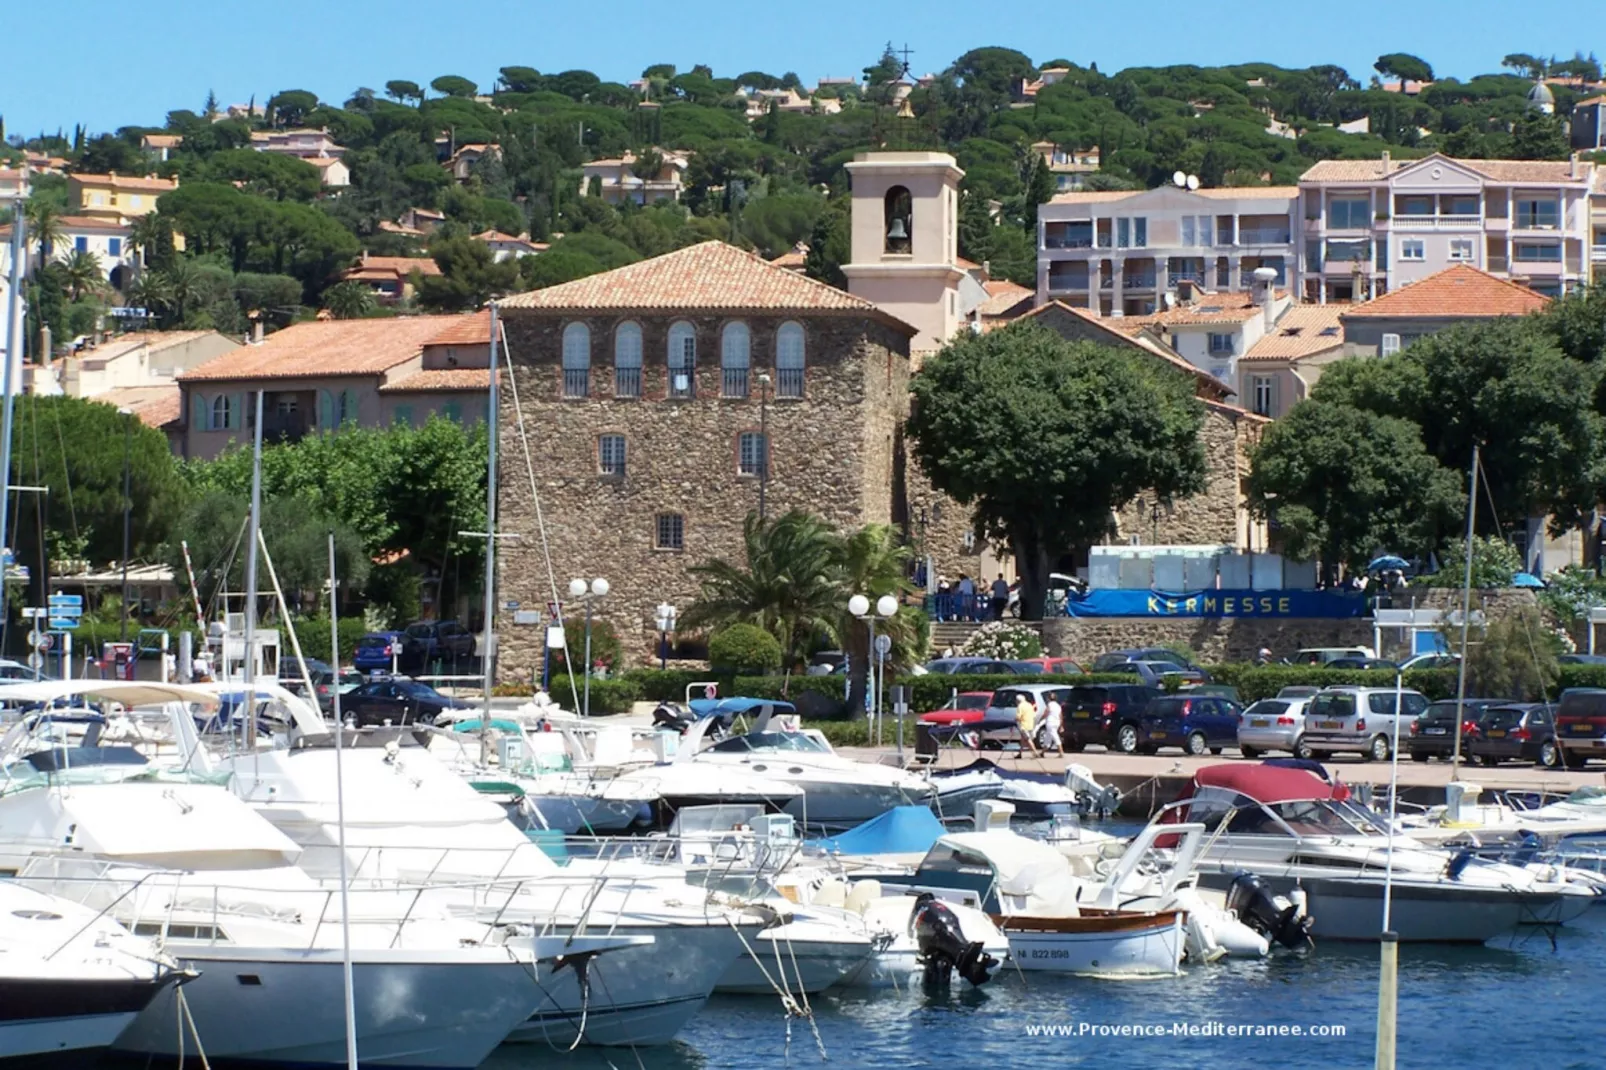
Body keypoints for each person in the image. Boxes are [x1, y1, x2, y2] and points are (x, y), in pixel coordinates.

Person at [1014, 692, 1041, 758]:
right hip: (1030, 724)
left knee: (1027, 739)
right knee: (1023, 740)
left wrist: (1015, 719)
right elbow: (1033, 714)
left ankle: (1035, 753)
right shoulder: (1029, 705)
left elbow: (1018, 717)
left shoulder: (1020, 706)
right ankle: (1020, 753)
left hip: (1023, 725)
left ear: (1018, 700)